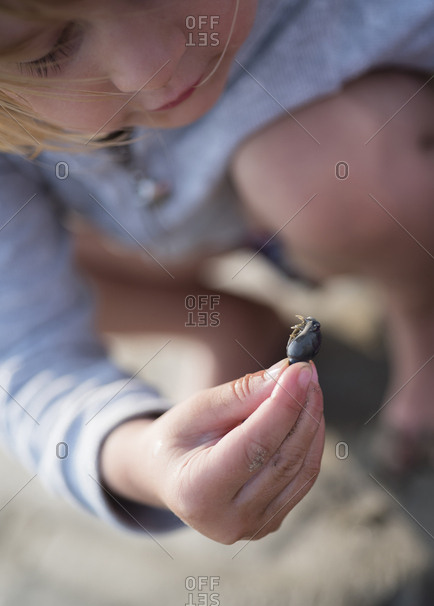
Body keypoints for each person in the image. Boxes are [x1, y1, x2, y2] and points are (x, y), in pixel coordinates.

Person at [0, 0, 431, 542]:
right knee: (28, 262)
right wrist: (146, 458)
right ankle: (223, 323)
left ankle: (419, 314)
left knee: (320, 176)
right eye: (52, 50)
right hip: (158, 233)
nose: (151, 66)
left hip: (336, 170)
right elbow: (25, 347)